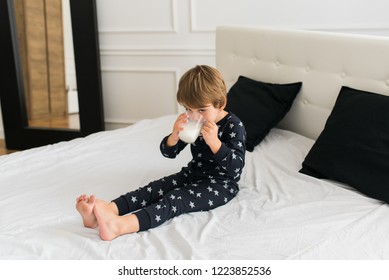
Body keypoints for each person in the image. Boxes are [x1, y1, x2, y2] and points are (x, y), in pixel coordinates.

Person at [76, 65, 246, 241]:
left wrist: (216, 144)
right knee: (154, 188)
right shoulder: (193, 120)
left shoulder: (233, 126)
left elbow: (236, 168)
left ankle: (119, 225)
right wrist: (174, 136)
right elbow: (169, 153)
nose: (194, 116)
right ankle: (107, 211)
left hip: (220, 185)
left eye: (201, 110)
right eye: (188, 109)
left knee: (174, 200)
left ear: (221, 104)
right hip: (193, 174)